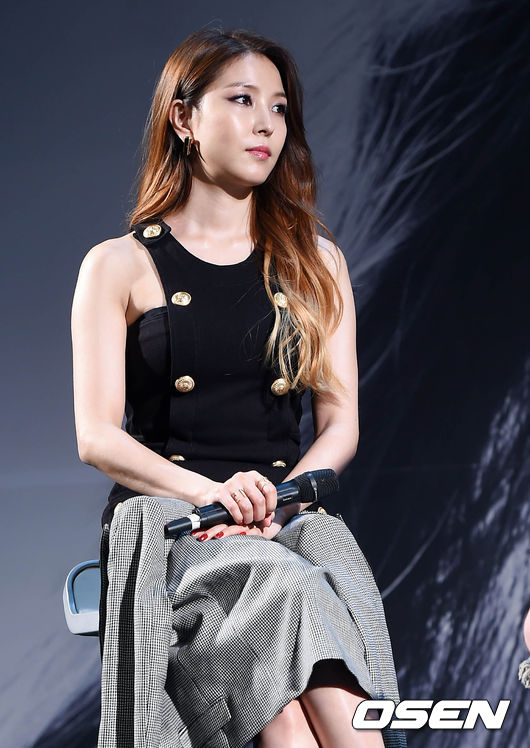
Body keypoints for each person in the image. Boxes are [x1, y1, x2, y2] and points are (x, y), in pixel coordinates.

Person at [71, 27, 406, 748]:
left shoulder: (317, 261)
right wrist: (214, 499)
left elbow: (340, 422)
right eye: (243, 100)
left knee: (301, 628)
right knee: (284, 611)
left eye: (279, 107)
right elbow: (95, 437)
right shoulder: (118, 265)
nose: (266, 124)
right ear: (183, 118)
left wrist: (272, 506)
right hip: (177, 531)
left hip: (282, 523)